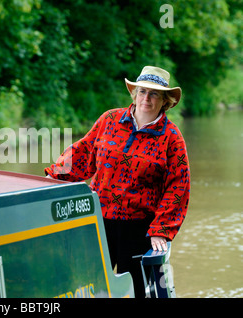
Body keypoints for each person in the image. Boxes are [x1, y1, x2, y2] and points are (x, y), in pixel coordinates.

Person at [45, 66, 190, 298]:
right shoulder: (109, 119)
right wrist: (53, 176)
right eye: (142, 91)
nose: (146, 98)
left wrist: (161, 230)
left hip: (139, 229)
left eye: (154, 94)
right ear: (134, 94)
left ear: (164, 101)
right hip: (97, 221)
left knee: (136, 291)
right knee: (87, 287)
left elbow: (178, 187)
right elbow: (82, 154)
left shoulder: (172, 137)